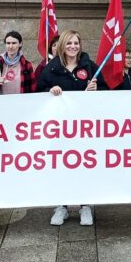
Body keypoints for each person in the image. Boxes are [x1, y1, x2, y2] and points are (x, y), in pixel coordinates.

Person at [37, 30, 105, 226]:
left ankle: (85, 206)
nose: (73, 47)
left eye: (76, 43)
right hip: (60, 129)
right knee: (61, 167)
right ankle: (62, 206)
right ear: (62, 46)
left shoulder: (89, 67)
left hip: (85, 129)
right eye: (69, 43)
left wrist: (96, 89)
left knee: (84, 166)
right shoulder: (51, 68)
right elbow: (37, 92)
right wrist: (49, 91)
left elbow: (107, 91)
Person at [0, 31, 36, 95]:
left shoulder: (27, 65)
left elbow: (32, 89)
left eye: (14, 43)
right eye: (8, 43)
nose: (10, 46)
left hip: (20, 103)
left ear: (20, 44)